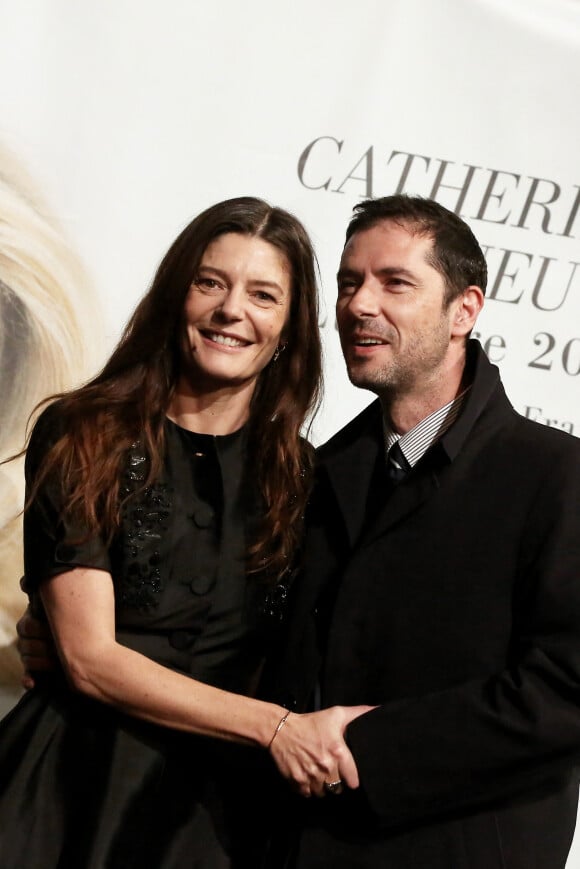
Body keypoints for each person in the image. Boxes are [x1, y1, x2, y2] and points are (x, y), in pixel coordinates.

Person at [0, 196, 371, 869]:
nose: (233, 310)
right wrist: (275, 729)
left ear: (288, 327)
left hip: (212, 820)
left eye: (264, 294)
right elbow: (89, 660)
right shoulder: (83, 433)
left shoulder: (305, 478)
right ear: (178, 296)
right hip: (66, 793)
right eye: (211, 282)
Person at [262, 195, 580, 868]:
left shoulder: (556, 475)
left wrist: (368, 745)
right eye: (349, 282)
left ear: (465, 309)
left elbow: (566, 687)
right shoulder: (314, 474)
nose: (357, 304)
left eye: (394, 282)